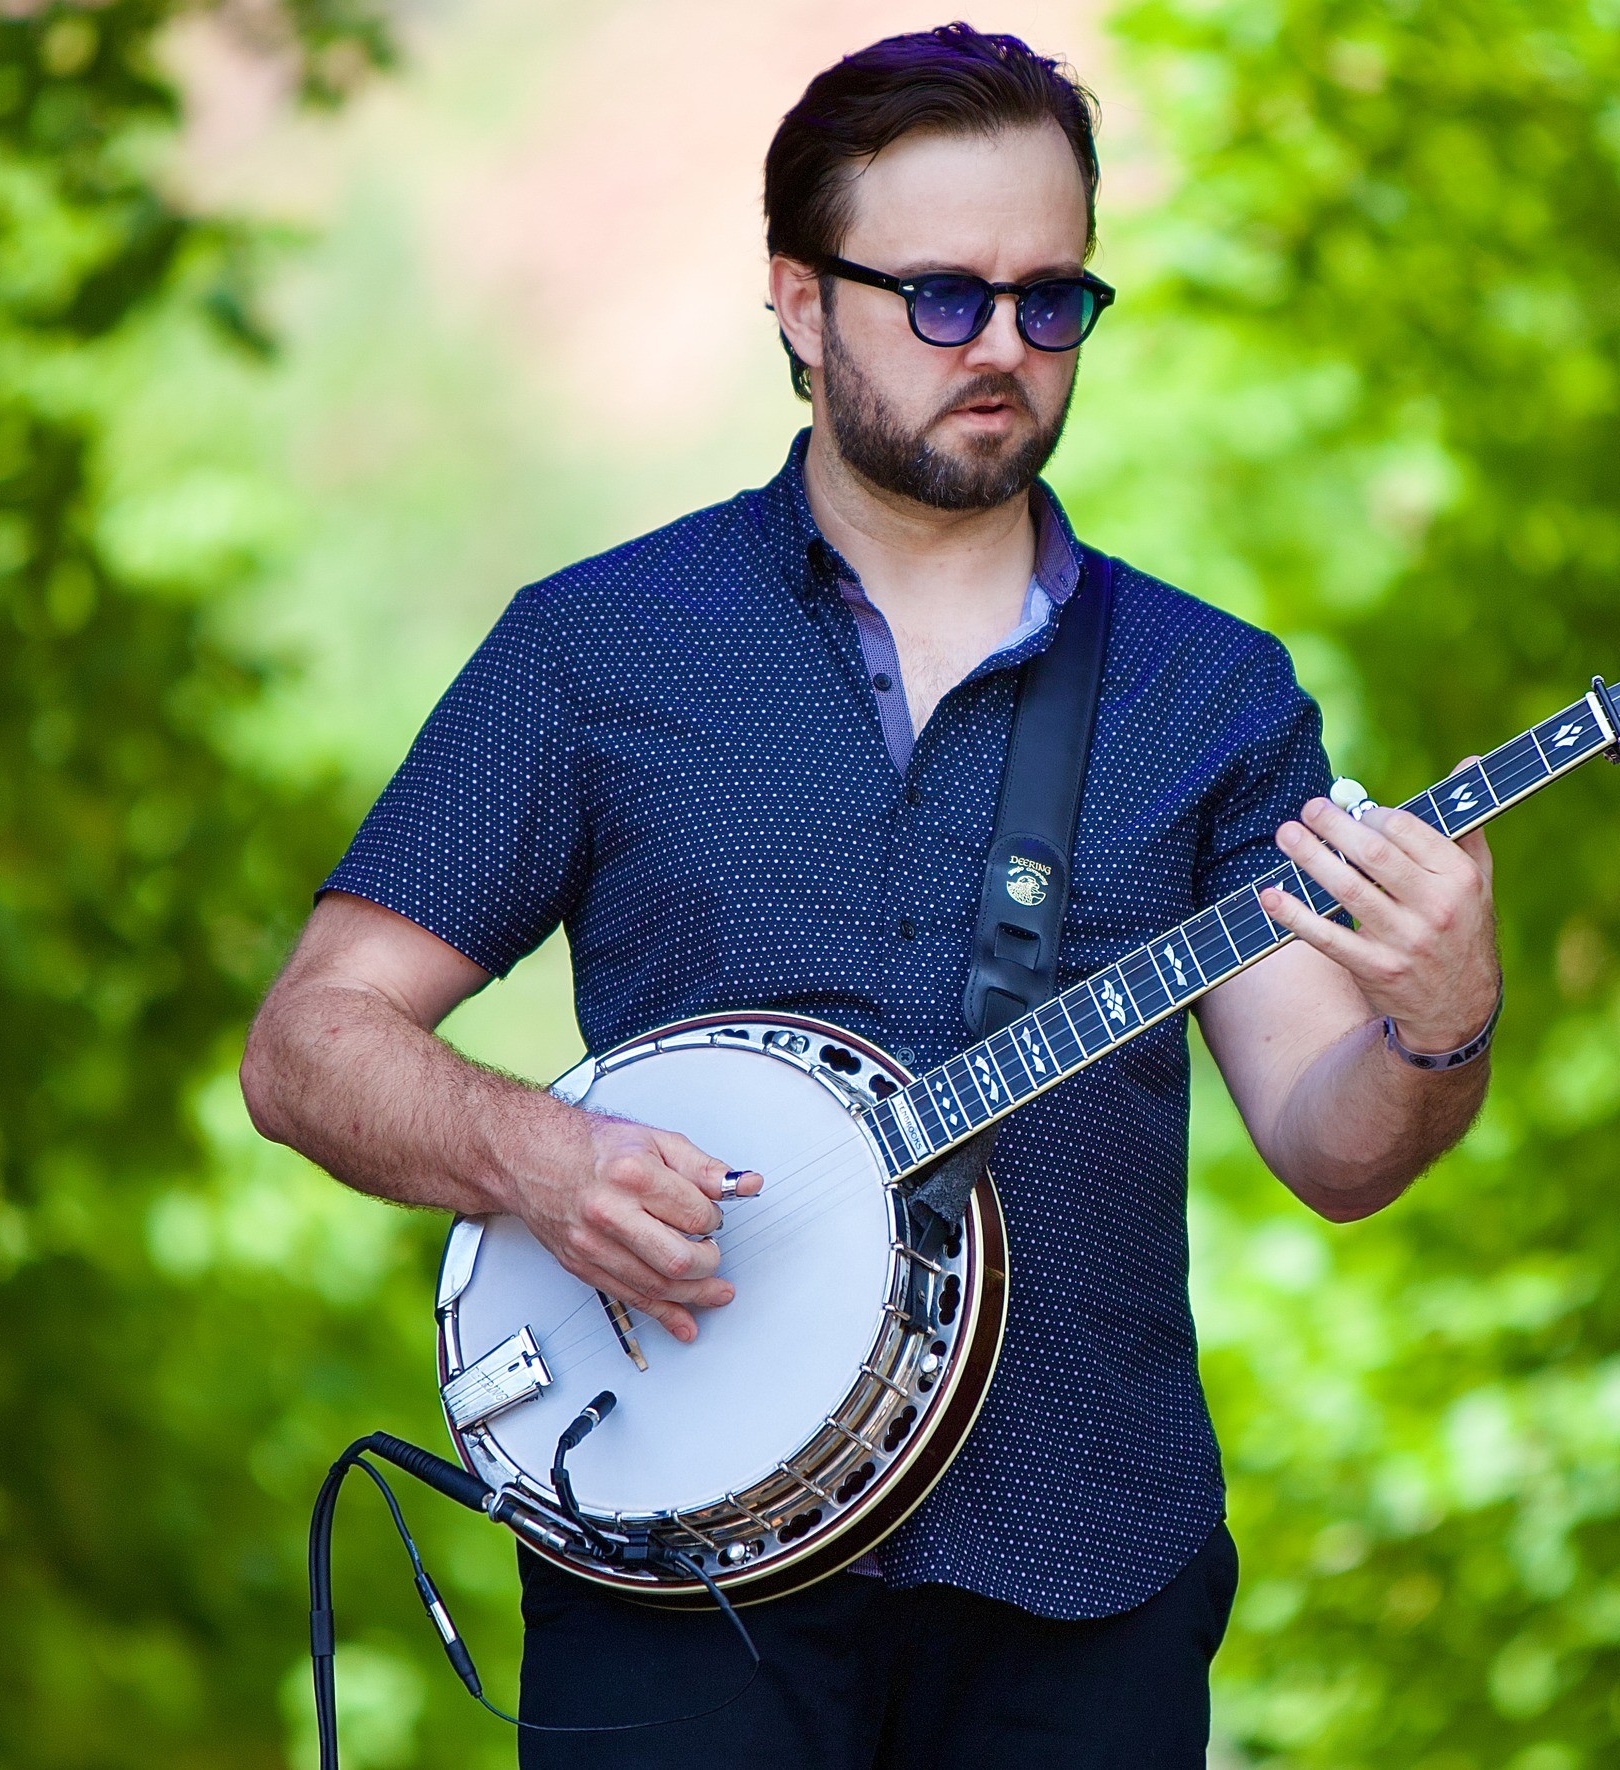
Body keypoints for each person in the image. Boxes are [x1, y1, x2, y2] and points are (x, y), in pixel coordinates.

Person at [240, 24, 1501, 1770]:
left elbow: (1333, 1143)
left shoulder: (1213, 694)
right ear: (796, 298)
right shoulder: (604, 647)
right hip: (675, 1564)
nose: (1001, 346)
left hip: (1083, 1573)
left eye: (1051, 301)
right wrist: (542, 1157)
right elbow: (310, 1040)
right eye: (939, 296)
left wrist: (1441, 1026)